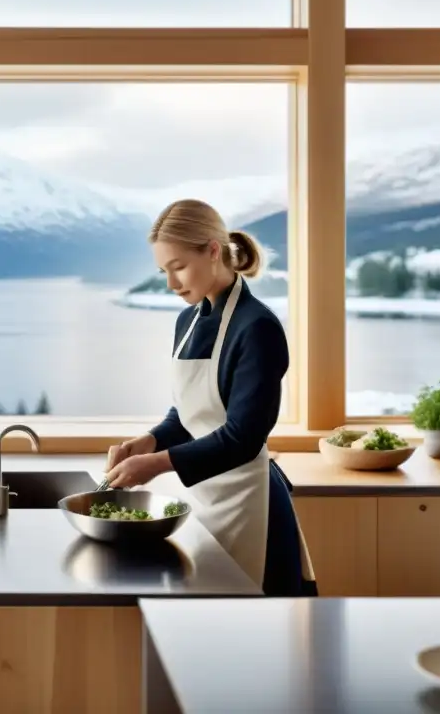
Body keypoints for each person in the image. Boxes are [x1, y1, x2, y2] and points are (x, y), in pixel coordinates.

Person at [104, 198, 318, 597]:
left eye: (179, 266)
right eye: (163, 271)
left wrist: (156, 464)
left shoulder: (258, 328)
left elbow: (243, 437)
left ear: (214, 251)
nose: (171, 284)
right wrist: (149, 441)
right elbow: (190, 411)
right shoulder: (187, 320)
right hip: (204, 497)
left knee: (256, 639)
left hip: (251, 506)